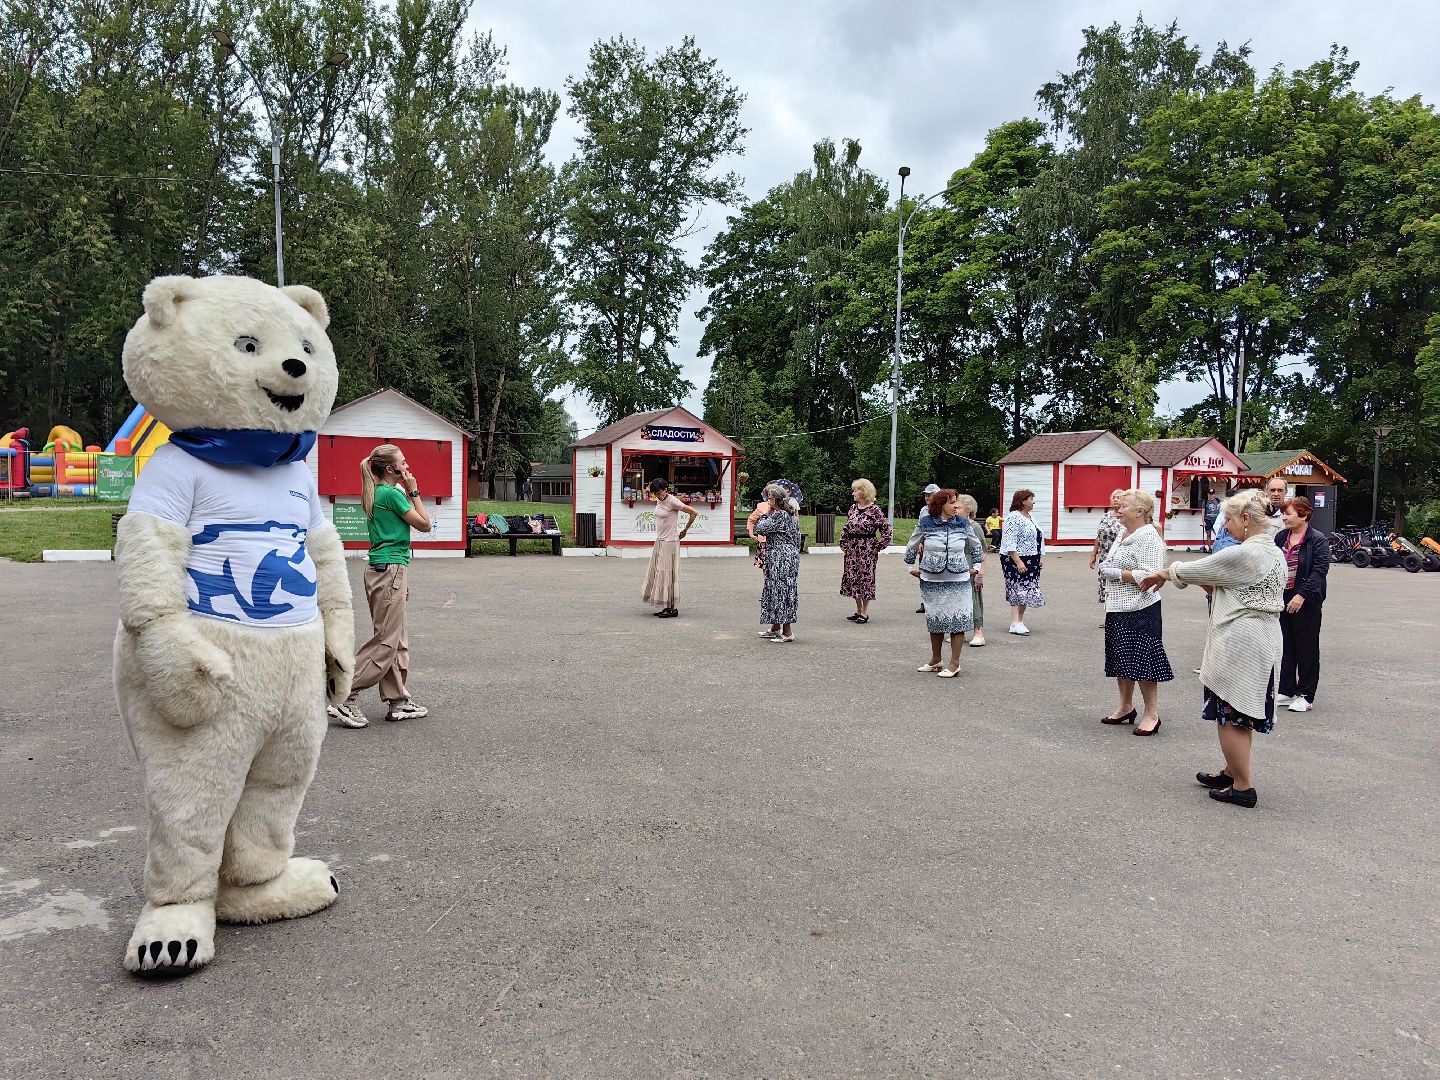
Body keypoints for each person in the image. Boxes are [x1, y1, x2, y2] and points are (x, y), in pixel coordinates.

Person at [1139, 489, 1285, 809]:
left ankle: (1243, 786)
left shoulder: (1248, 553)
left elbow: (1201, 568)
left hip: (1242, 642)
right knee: (1239, 714)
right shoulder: (1271, 552)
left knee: (1231, 715)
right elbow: (1220, 578)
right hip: (1261, 640)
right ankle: (1234, 772)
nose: (1226, 526)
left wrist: (1163, 573)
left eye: (1230, 519)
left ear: (1246, 519)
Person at [330, 443, 432, 727]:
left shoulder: (378, 491)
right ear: (390, 469)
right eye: (403, 462)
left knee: (395, 638)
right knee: (386, 641)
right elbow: (424, 525)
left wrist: (401, 578)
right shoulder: (392, 493)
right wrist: (414, 491)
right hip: (389, 569)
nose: (407, 465)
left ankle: (398, 700)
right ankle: (345, 696)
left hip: (386, 569)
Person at [1097, 490, 1172, 735]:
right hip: (1117, 606)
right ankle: (1126, 707)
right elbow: (1109, 562)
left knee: (1144, 662)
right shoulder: (1123, 532)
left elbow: (1150, 575)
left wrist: (1117, 573)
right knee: (1121, 658)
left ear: (1140, 511)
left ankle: (1152, 714)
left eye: (1124, 506)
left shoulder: (1149, 536)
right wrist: (1110, 568)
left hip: (1142, 607)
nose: (1117, 508)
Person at [904, 488, 983, 677]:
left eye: (956, 502)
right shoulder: (926, 523)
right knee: (935, 619)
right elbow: (912, 543)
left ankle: (955, 664)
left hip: (959, 580)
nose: (956, 505)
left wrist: (977, 566)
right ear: (940, 505)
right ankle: (936, 660)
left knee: (958, 620)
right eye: (951, 502)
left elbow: (976, 545)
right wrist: (910, 566)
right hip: (931, 579)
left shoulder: (964, 523)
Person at [1276, 496, 1330, 713]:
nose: (1284, 518)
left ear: (1304, 514)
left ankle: (1305, 695)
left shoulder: (1317, 539)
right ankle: (1286, 689)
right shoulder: (1280, 537)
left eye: (1288, 514)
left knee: (1306, 647)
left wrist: (1301, 595)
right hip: (1282, 598)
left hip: (1307, 601)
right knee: (1286, 645)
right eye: (1283, 513)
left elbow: (1320, 570)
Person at [840, 478, 893, 624]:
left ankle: (865, 612)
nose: (853, 493)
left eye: (856, 490)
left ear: (864, 492)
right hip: (852, 548)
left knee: (865, 579)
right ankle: (858, 610)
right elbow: (847, 526)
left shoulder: (875, 510)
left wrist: (878, 546)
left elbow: (887, 530)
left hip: (867, 548)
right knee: (852, 578)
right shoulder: (853, 508)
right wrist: (843, 542)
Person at [643, 478, 696, 618]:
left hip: (670, 541)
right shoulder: (659, 501)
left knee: (667, 574)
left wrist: (685, 530)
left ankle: (672, 608)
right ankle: (667, 606)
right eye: (656, 493)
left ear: (666, 490)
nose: (658, 496)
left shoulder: (672, 501)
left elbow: (693, 512)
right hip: (660, 540)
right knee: (660, 573)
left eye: (660, 492)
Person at [754, 484, 801, 641]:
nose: (768, 501)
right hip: (787, 557)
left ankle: (787, 632)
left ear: (774, 500)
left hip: (781, 558)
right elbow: (797, 538)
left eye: (769, 498)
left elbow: (760, 528)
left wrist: (766, 514)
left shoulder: (779, 516)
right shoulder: (790, 515)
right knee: (775, 590)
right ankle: (775, 627)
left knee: (782, 592)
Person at [999, 489, 1045, 635]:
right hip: (1015, 558)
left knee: (1027, 589)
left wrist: (1040, 557)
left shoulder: (1030, 517)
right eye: (1031, 498)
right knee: (1017, 588)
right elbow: (1009, 541)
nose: (1034, 502)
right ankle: (1014, 621)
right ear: (1023, 501)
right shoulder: (1013, 517)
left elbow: (1038, 537)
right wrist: (1018, 561)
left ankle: (1019, 620)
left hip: (1032, 558)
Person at [954, 493, 988, 647]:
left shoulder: (974, 526)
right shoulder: (953, 524)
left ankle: (978, 633)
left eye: (958, 507)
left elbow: (982, 551)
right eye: (954, 507)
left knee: (973, 599)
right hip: (956, 566)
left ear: (968, 510)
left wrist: (980, 573)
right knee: (957, 599)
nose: (955, 509)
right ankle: (960, 632)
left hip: (970, 566)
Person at [1089, 489, 1125, 621]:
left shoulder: (1125, 516)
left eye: (1119, 497)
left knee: (1117, 586)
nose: (1115, 499)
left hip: (1119, 558)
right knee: (1105, 586)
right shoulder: (1106, 515)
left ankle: (1118, 618)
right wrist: (1093, 554)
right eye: (1114, 497)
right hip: (1104, 558)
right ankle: (1109, 618)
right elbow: (1099, 536)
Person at [915, 483, 940, 613]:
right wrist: (920, 542)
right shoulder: (923, 510)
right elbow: (920, 529)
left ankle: (937, 601)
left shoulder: (943, 509)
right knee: (924, 575)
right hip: (925, 547)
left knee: (938, 574)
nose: (927, 497)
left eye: (930, 494)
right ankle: (925, 602)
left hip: (938, 547)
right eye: (926, 494)